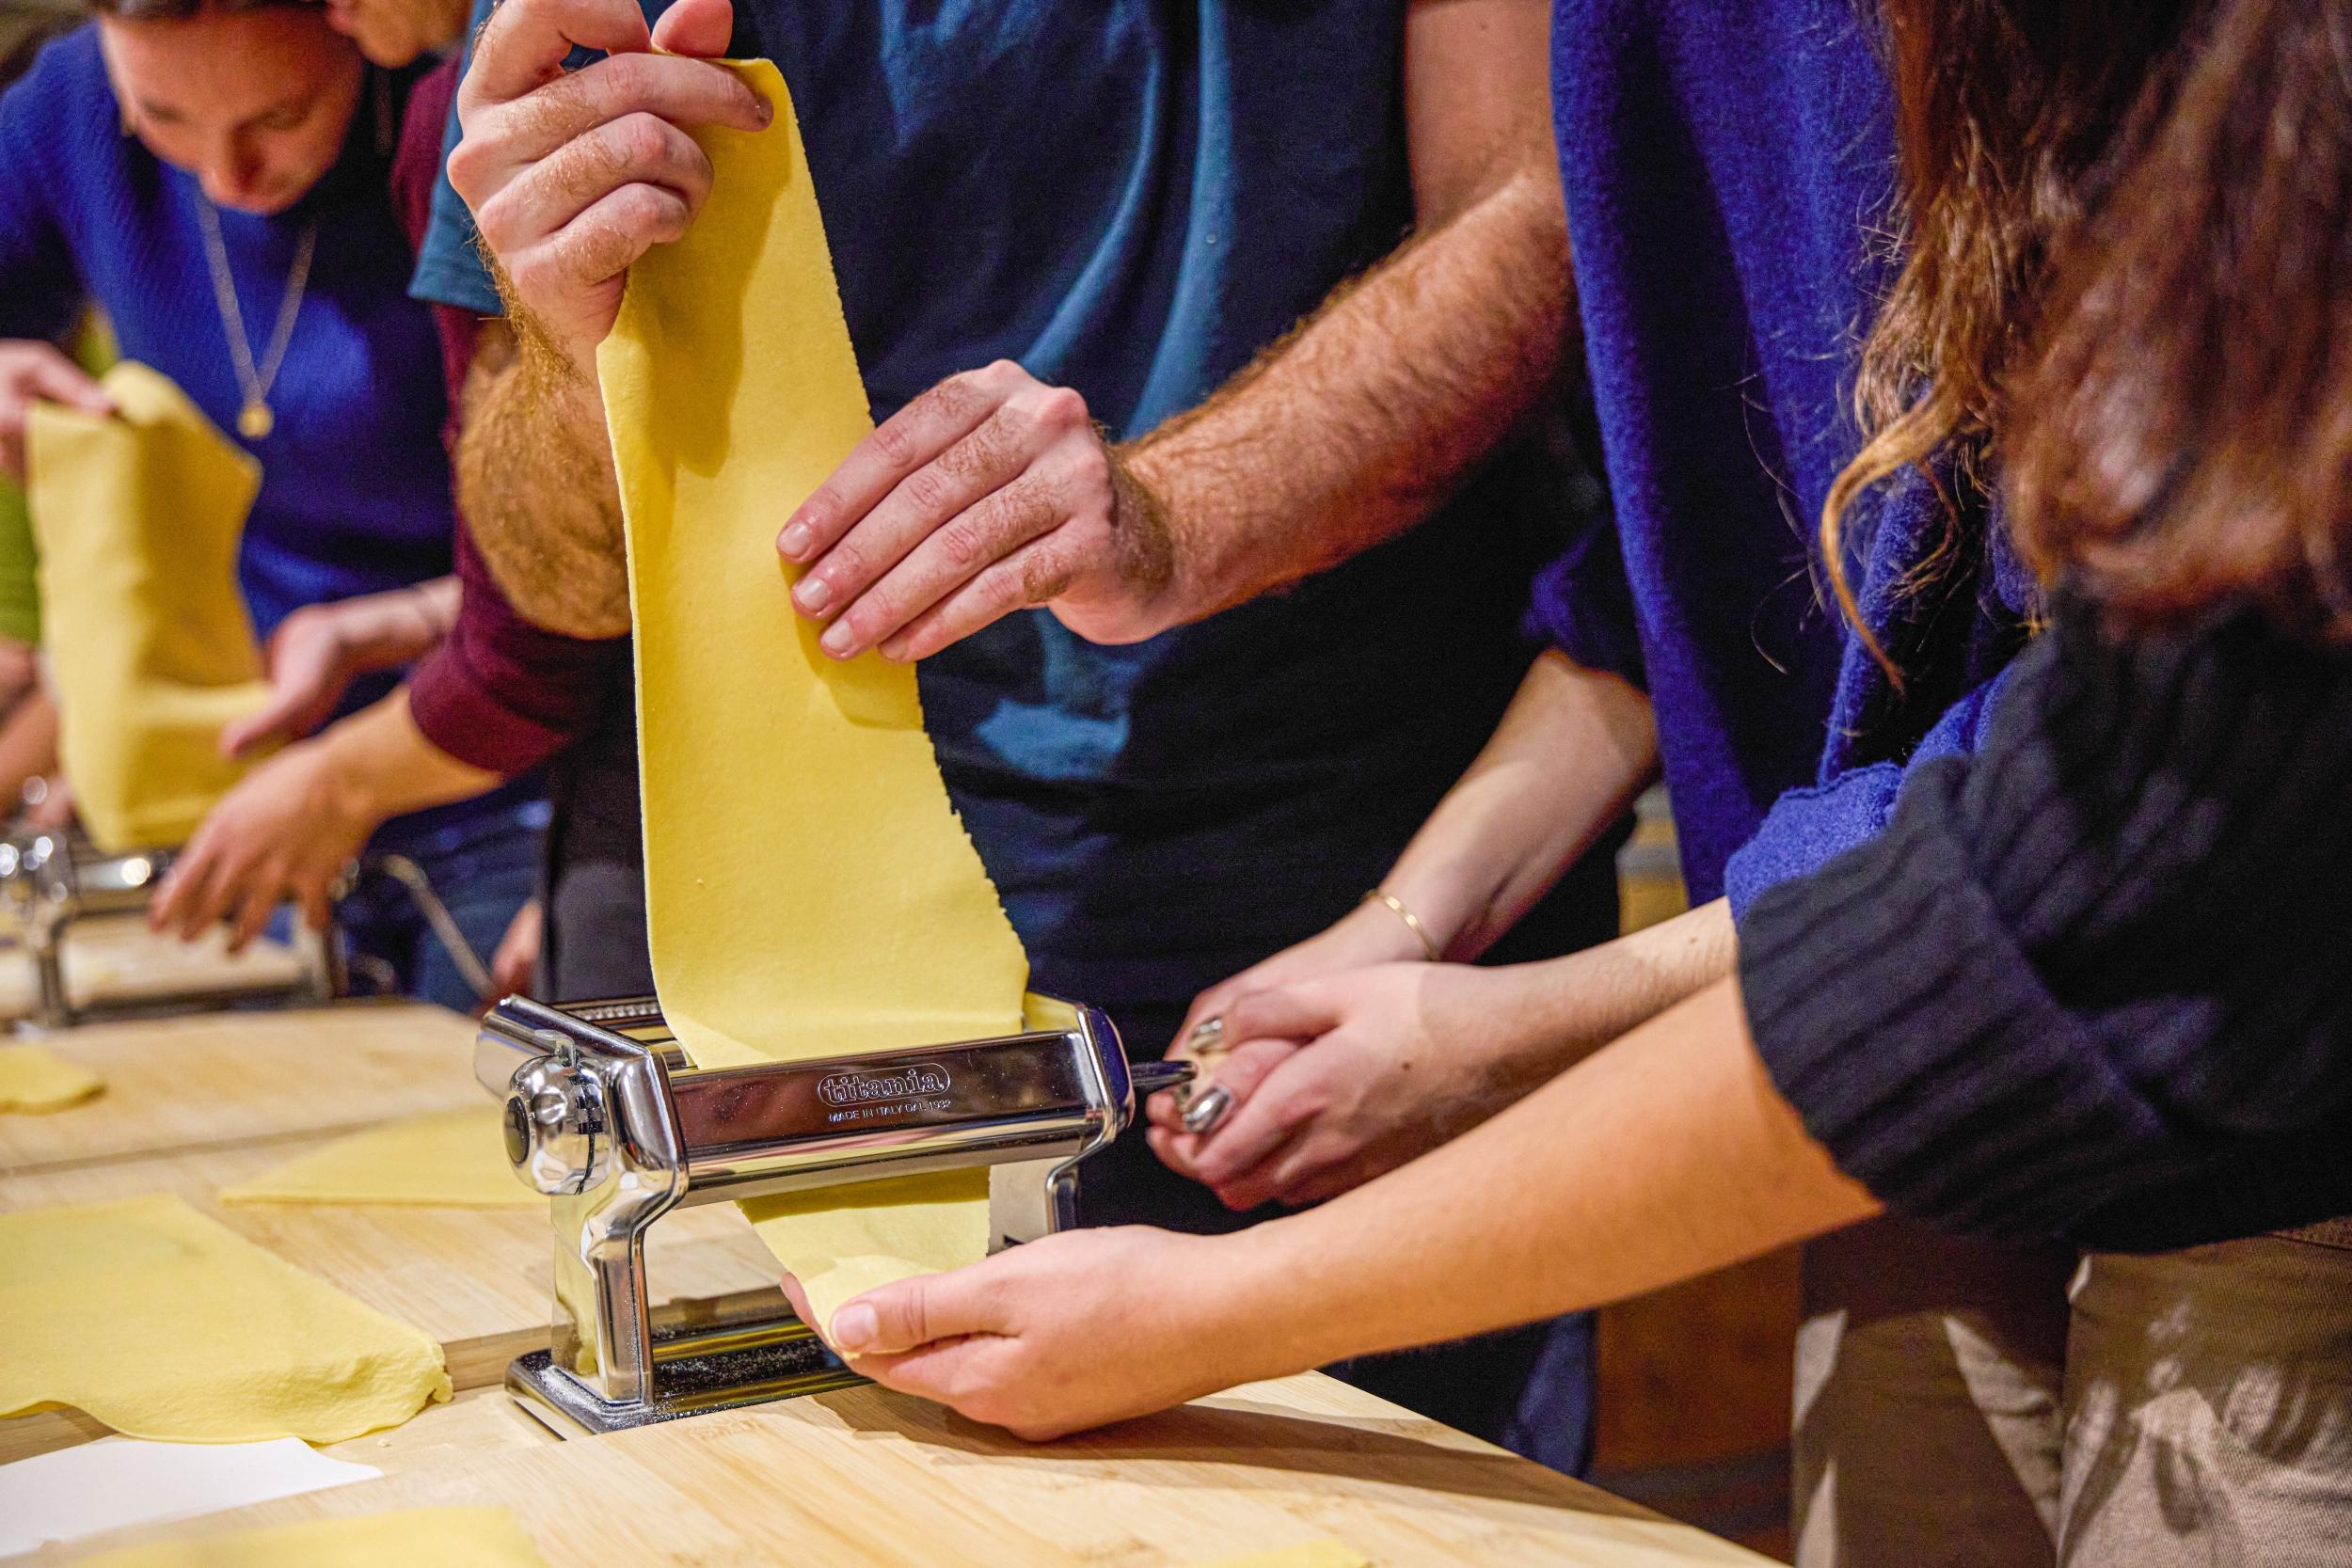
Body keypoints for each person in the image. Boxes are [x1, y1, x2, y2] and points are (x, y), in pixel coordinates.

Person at [813, 1, 2352, 1562]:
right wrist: (1409, 931)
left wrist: (1221, 1297)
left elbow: (2050, 882)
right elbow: (1686, 568)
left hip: (2260, 1102)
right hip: (1916, 1113)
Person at [431, 0, 1627, 1465]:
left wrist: (1178, 510)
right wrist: (572, 355)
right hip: (746, 945)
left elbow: (1531, 216)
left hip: (1313, 889)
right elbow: (546, 570)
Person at [0, 0, 542, 1011]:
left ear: (359, 21)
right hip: (255, 784)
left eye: (279, 116)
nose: (225, 175)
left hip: (516, 770)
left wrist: (609, 864)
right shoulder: (68, 108)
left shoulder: (463, 118)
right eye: (161, 118)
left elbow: (594, 580)